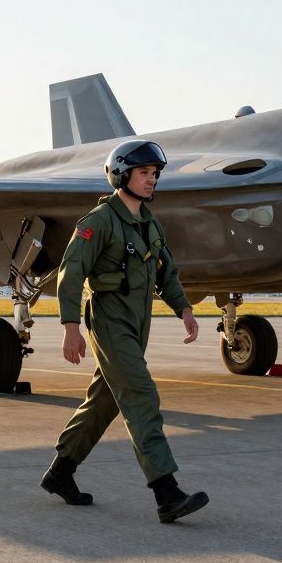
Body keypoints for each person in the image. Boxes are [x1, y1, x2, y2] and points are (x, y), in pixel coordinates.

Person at [41, 139, 209, 523]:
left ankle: (60, 473)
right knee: (140, 394)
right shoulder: (98, 222)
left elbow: (167, 271)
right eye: (144, 173)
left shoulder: (150, 222)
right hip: (109, 317)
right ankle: (166, 493)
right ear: (122, 175)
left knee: (105, 399)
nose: (152, 180)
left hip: (138, 319)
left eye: (154, 173)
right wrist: (70, 328)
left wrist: (184, 307)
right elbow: (71, 274)